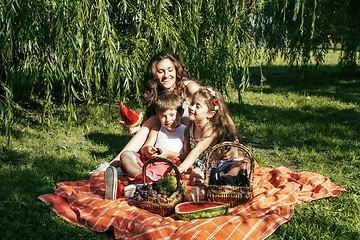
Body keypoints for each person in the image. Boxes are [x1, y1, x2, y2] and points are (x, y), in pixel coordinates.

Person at [104, 92, 187, 199]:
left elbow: (187, 155)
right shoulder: (158, 129)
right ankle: (141, 178)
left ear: (181, 113)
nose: (168, 120)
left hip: (166, 166)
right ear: (158, 116)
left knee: (160, 169)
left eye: (172, 115)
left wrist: (167, 154)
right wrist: (148, 150)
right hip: (149, 162)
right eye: (163, 116)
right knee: (125, 155)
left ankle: (120, 189)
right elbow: (145, 148)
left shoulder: (185, 131)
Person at [177, 87, 242, 182]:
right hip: (200, 168)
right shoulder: (190, 128)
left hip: (218, 166)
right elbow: (188, 153)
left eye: (197, 106)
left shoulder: (211, 130)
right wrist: (187, 167)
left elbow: (198, 149)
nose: (191, 107)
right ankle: (211, 181)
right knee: (187, 176)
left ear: (210, 114)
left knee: (244, 164)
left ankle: (223, 179)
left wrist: (183, 166)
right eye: (192, 103)